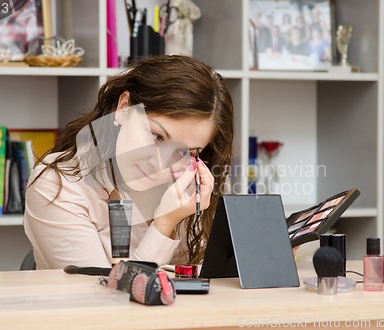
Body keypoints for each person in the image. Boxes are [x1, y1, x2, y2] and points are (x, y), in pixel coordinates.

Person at [23, 55, 234, 269]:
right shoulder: (58, 185)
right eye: (156, 136)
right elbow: (106, 300)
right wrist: (165, 224)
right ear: (124, 107)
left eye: (185, 152)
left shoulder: (187, 187)